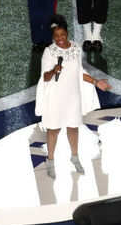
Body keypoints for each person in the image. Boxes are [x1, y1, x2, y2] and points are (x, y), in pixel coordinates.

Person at [35, 14, 111, 179]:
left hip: (72, 96)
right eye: (56, 36)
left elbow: (80, 73)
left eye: (62, 35)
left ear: (67, 33)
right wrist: (53, 70)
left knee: (73, 127)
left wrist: (96, 82)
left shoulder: (76, 48)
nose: (60, 39)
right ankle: (50, 160)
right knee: (53, 129)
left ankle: (74, 157)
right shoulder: (49, 52)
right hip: (55, 97)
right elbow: (45, 77)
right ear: (53, 37)